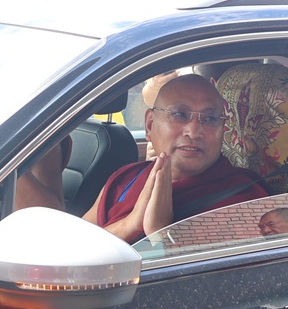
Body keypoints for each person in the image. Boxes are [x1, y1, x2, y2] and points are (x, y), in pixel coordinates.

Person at [84, 74, 269, 243]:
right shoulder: (126, 179)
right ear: (149, 125)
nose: (194, 132)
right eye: (179, 114)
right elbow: (76, 246)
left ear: (223, 130)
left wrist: (161, 234)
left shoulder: (247, 202)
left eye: (210, 118)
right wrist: (131, 224)